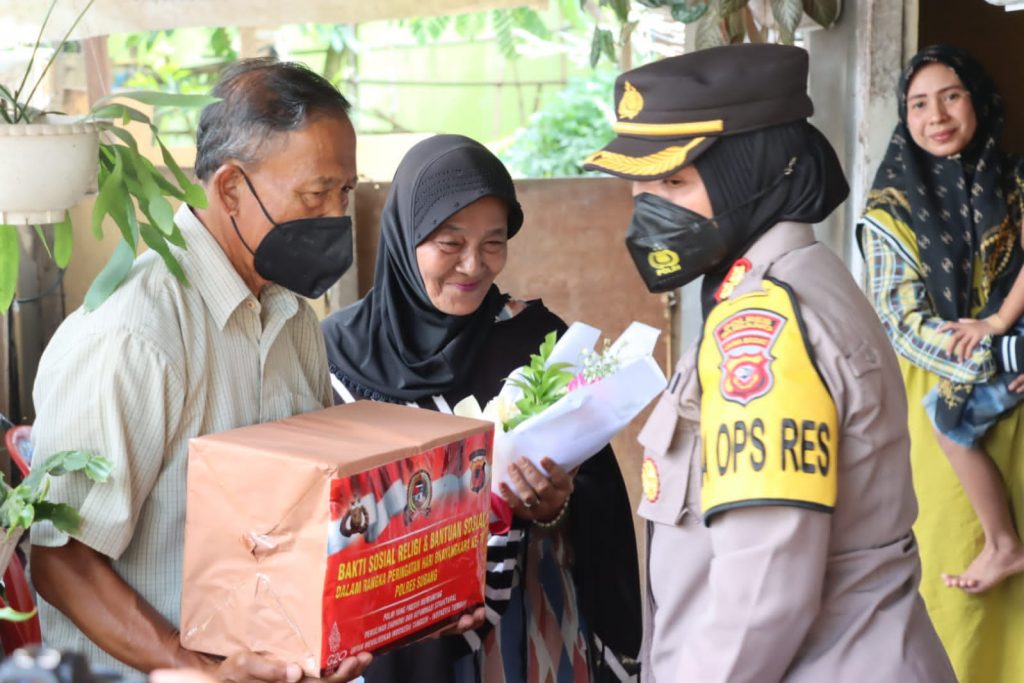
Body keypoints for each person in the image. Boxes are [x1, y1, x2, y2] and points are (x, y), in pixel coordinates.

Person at [583, 43, 955, 682]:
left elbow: (762, 603)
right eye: (639, 183)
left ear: (751, 173)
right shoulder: (809, 278)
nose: (647, 207)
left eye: (673, 181)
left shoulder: (763, 330)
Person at [27, 59, 373, 682]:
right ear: (232, 189)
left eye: (344, 192)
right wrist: (195, 669)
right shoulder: (134, 336)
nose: (334, 215)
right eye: (315, 193)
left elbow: (310, 505)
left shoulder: (292, 311)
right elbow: (61, 562)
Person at [321, 134, 641, 683]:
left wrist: (552, 506)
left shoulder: (536, 342)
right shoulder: (336, 352)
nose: (474, 265)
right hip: (381, 642)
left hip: (519, 628)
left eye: (494, 242)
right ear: (406, 237)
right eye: (450, 242)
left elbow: (599, 500)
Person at [860, 44, 1024, 679]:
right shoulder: (889, 213)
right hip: (941, 406)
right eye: (918, 104)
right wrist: (996, 353)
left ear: (976, 100)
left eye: (951, 96)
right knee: (954, 568)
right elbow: (901, 323)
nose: (938, 115)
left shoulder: (1015, 185)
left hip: (1015, 396)